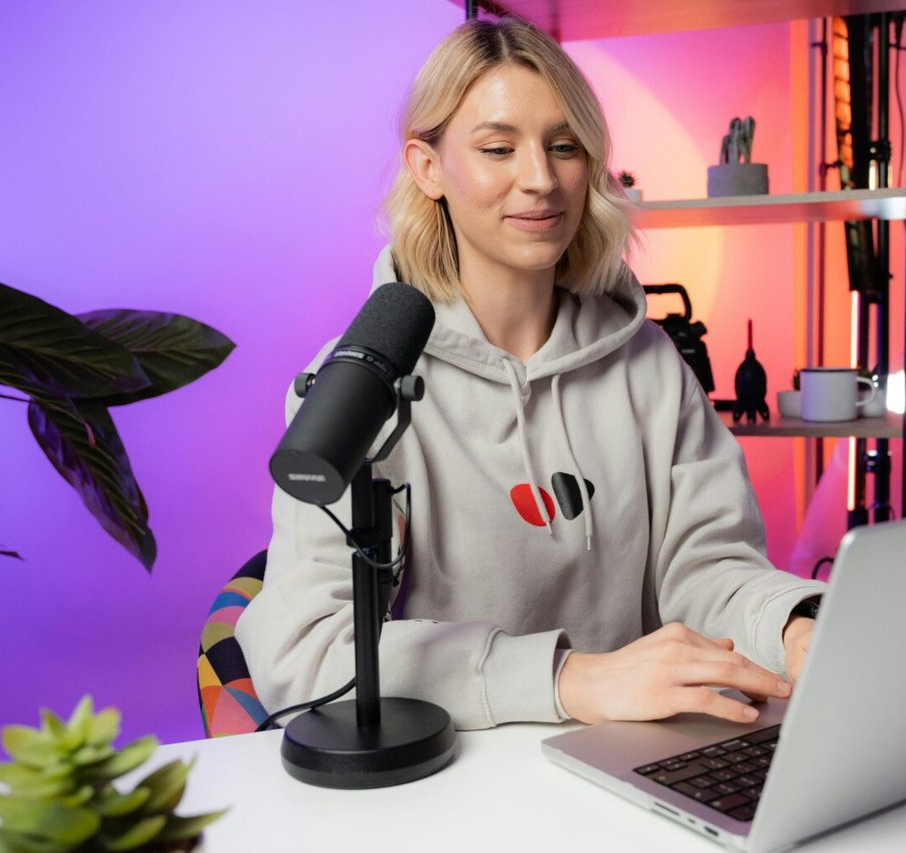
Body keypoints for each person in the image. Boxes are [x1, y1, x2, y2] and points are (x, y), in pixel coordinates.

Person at [236, 17, 826, 731]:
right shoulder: (362, 383)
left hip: (632, 761)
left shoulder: (649, 366)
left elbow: (706, 571)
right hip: (452, 785)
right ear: (427, 167)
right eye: (497, 148)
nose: (542, 180)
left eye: (564, 146)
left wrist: (793, 629)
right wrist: (568, 679)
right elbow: (307, 651)